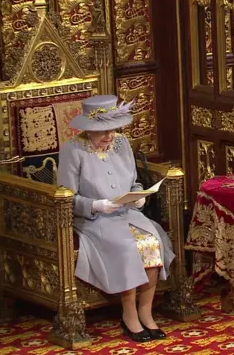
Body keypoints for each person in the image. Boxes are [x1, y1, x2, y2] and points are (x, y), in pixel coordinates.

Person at [58, 95, 175, 342]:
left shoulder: (122, 143)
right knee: (126, 247)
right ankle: (129, 315)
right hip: (93, 220)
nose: (108, 136)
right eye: (102, 132)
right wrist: (96, 205)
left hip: (127, 213)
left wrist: (138, 196)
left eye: (111, 130)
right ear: (88, 130)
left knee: (153, 241)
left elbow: (133, 180)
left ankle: (146, 312)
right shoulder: (73, 150)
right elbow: (65, 197)